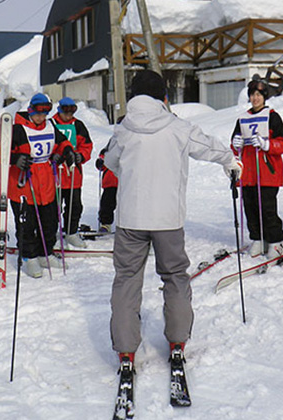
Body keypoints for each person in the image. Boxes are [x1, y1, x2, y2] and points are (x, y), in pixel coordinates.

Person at [104, 70, 242, 374]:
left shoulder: (124, 129)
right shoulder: (178, 127)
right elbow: (210, 146)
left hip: (130, 220)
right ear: (161, 97)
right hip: (168, 219)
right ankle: (177, 341)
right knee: (175, 277)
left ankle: (126, 349)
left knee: (127, 279)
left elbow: (110, 162)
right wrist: (231, 162)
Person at [0, 93, 75, 278]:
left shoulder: (50, 126)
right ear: (30, 111)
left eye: (45, 113)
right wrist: (15, 158)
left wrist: (66, 152)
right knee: (27, 225)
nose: (41, 117)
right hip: (23, 184)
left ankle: (45, 252)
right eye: (38, 113)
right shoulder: (19, 129)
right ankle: (29, 258)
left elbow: (62, 143)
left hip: (46, 182)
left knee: (49, 221)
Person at [230, 77, 283, 258]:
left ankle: (275, 241)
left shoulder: (272, 116)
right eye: (252, 95)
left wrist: (266, 145)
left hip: (266, 171)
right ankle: (257, 238)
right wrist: (235, 143)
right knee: (251, 208)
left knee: (267, 209)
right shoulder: (243, 118)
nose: (255, 98)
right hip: (248, 172)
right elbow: (235, 144)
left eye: (258, 95)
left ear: (264, 97)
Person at [50, 97, 93, 248]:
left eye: (71, 112)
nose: (69, 116)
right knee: (53, 206)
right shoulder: (51, 124)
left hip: (73, 173)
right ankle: (52, 234)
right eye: (66, 112)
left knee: (75, 205)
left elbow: (86, 145)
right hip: (55, 173)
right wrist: (52, 156)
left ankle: (71, 232)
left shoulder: (78, 125)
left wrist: (81, 155)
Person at [95, 143, 118, 233]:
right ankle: (105, 224)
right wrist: (100, 163)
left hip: (126, 182)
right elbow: (103, 158)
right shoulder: (112, 144)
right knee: (106, 204)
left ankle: (129, 226)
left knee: (127, 205)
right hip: (110, 181)